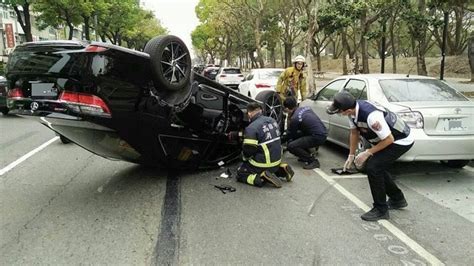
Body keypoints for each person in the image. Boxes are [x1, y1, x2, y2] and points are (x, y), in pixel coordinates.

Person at [327, 92, 414, 221]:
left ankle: (381, 209)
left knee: (373, 167)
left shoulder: (371, 117)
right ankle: (397, 199)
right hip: (387, 139)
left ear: (348, 110)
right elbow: (354, 133)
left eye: (339, 111)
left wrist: (367, 152)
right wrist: (351, 155)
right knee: (378, 167)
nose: (339, 114)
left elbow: (389, 139)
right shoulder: (352, 113)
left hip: (400, 140)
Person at [232, 102, 294, 188]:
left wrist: (243, 158)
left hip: (263, 164)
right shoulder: (272, 120)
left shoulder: (251, 128)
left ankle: (261, 177)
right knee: (269, 163)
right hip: (277, 160)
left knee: (241, 173)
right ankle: (281, 170)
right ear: (260, 110)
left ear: (249, 113)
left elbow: (248, 151)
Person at [283, 97, 327, 169]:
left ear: (287, 109)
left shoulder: (295, 118)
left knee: (291, 146)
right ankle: (305, 155)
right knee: (296, 139)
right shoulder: (306, 108)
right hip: (322, 132)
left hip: (317, 136)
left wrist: (279, 141)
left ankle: (313, 161)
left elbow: (290, 135)